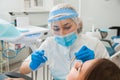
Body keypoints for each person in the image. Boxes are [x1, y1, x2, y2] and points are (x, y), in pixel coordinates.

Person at [19, 3, 109, 80]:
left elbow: (111, 74)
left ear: (77, 24)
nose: (62, 33)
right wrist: (31, 64)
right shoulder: (49, 44)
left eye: (67, 27)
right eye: (56, 28)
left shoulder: (94, 44)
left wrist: (94, 64)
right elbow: (22, 69)